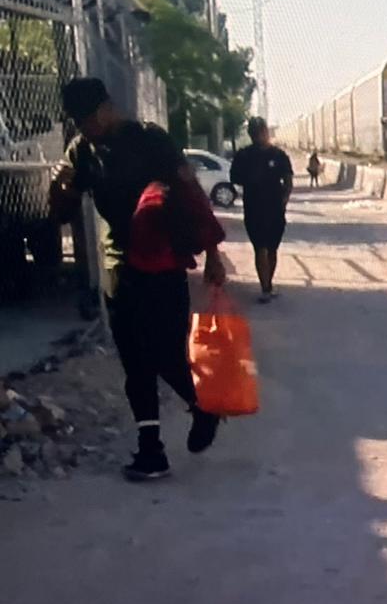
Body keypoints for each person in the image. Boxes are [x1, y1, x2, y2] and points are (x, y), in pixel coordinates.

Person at [49, 77, 226, 481]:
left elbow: (192, 193)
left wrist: (212, 251)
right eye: (77, 122)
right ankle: (151, 451)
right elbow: (61, 211)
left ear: (108, 109)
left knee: (166, 353)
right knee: (133, 360)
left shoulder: (151, 141)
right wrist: (62, 191)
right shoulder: (81, 151)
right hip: (119, 264)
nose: (84, 128)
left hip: (162, 262)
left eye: (89, 119)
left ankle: (201, 407)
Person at [231, 117, 293, 303]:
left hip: (274, 208)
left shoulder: (279, 155)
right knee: (260, 248)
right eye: (255, 131)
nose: (258, 134)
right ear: (251, 134)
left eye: (261, 130)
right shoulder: (243, 156)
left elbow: (288, 181)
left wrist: (283, 201)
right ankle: (265, 287)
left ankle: (269, 283)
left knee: (271, 248)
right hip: (254, 208)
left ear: (266, 131)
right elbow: (235, 178)